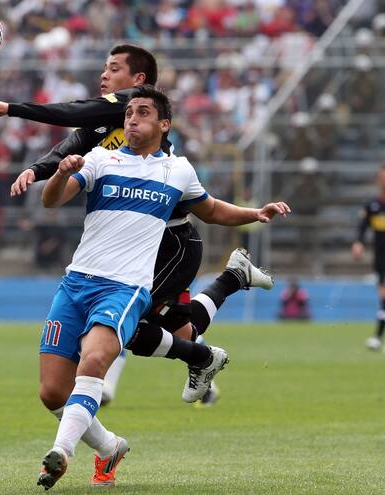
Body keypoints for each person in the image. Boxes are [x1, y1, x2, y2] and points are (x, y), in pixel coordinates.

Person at [0, 44, 275, 410]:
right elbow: (72, 143)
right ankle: (230, 283)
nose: (104, 74)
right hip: (137, 243)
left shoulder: (133, 106)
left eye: (114, 68)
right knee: (180, 330)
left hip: (170, 241)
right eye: (105, 67)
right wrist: (36, 170)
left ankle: (169, 365)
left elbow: (73, 111)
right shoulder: (108, 124)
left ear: (138, 80)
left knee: (123, 323)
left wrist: (11, 108)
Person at [34, 86, 290, 490]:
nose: (132, 119)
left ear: (164, 124)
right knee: (52, 392)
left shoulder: (178, 170)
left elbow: (211, 209)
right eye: (129, 113)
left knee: (94, 362)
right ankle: (109, 447)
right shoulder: (100, 159)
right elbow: (51, 201)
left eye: (143, 113)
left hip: (124, 289)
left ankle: (60, 453)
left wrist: (255, 213)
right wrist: (62, 173)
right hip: (76, 282)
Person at [352, 166, 385, 353]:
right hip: (380, 258)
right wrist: (358, 242)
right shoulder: (372, 204)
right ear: (377, 181)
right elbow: (362, 226)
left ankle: (377, 337)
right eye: (382, 178)